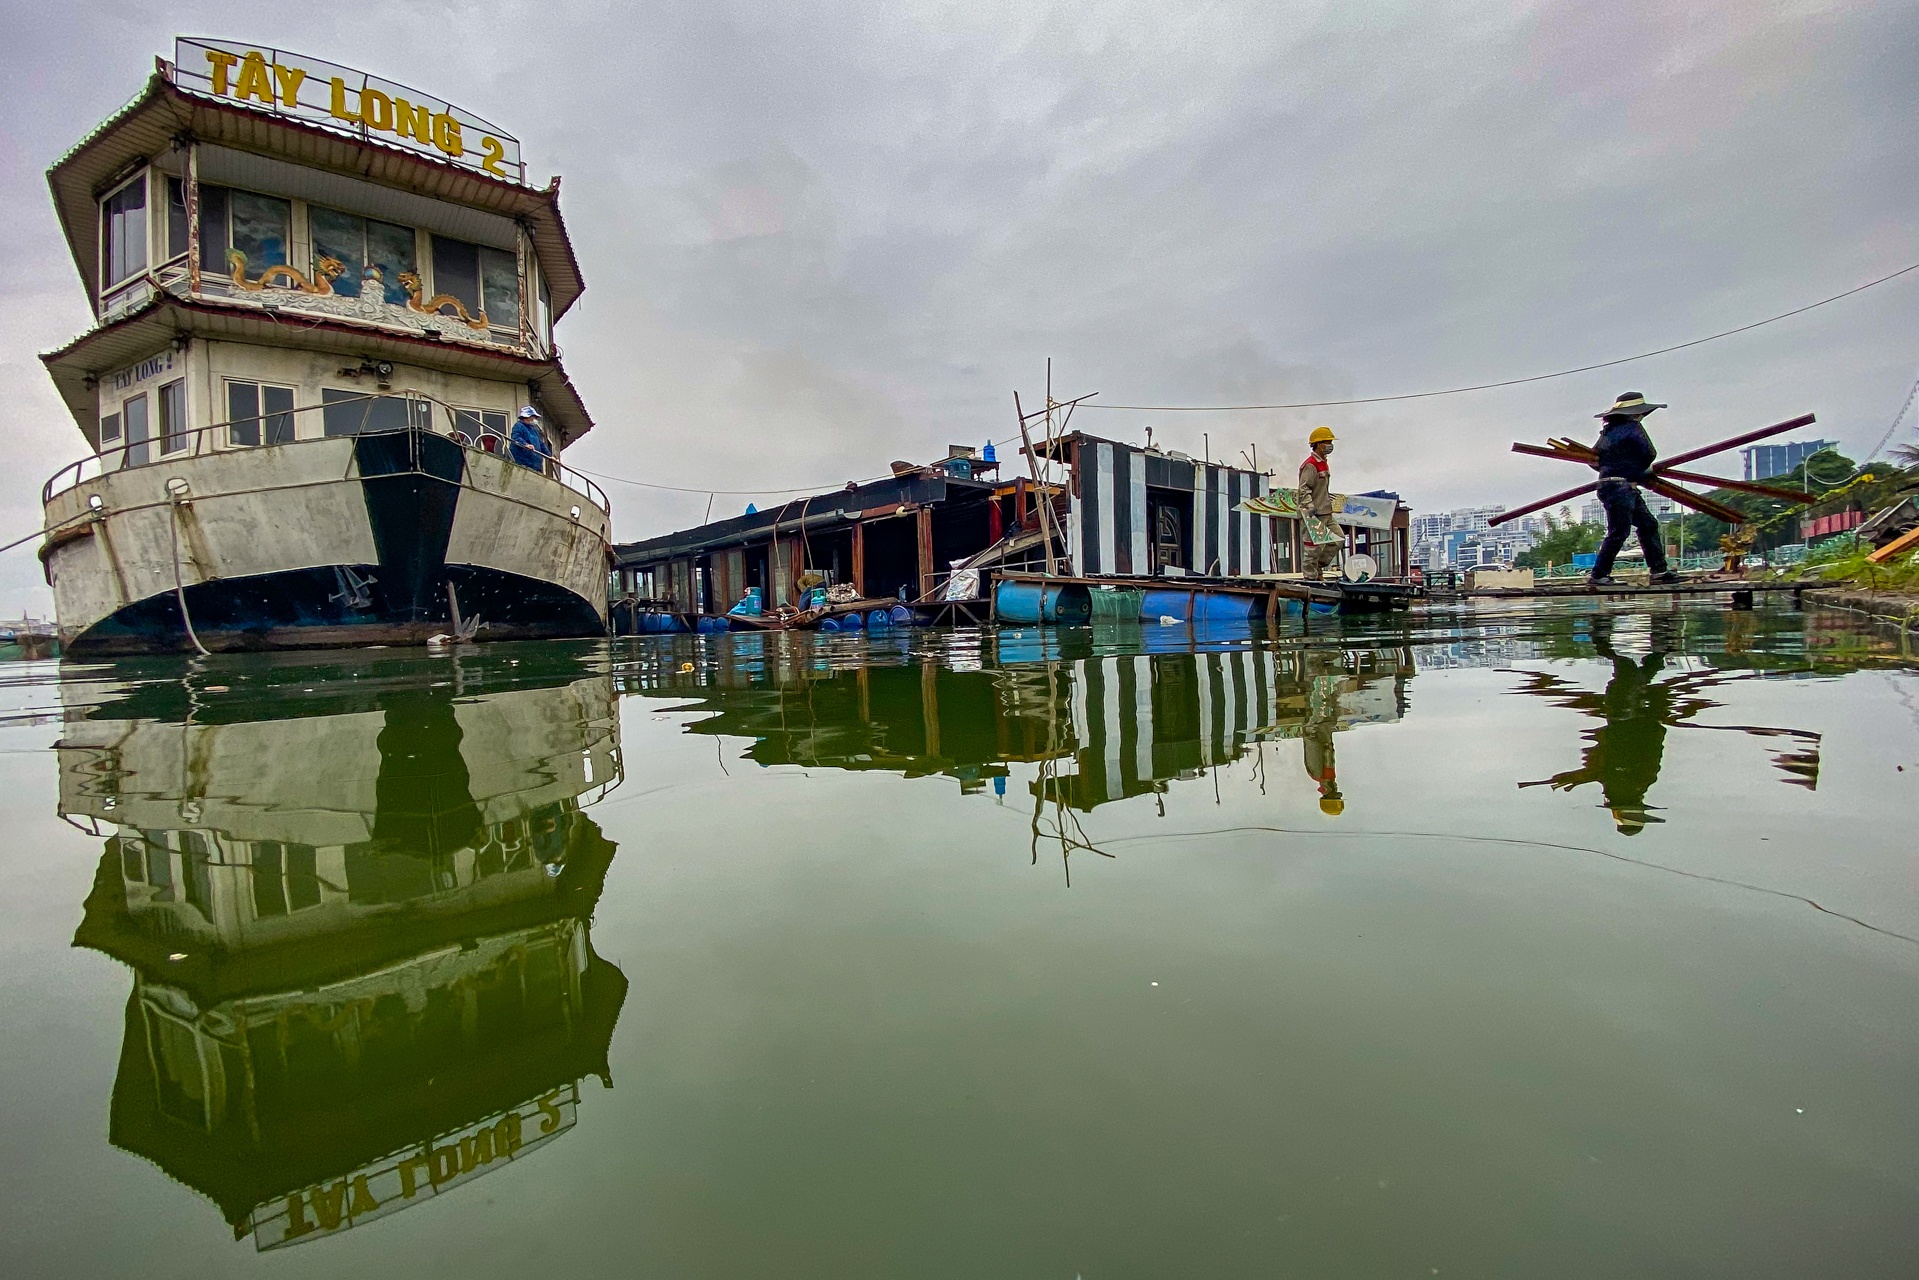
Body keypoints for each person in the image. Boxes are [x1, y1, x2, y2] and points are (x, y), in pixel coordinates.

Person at [1589, 392, 1677, 586]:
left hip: (1608, 485)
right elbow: (1649, 453)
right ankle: (1598, 575)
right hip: (1622, 486)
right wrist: (1634, 473)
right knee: (1619, 531)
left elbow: (1593, 460)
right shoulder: (1633, 428)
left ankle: (1659, 571)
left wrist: (1614, 469)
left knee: (1647, 525)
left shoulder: (1608, 432)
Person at [1298, 426, 1342, 579]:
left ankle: (1318, 568)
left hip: (1326, 512)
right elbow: (1304, 489)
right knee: (1313, 548)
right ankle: (1310, 578)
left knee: (1337, 540)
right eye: (1326, 442)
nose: (1330, 445)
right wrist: (1310, 507)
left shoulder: (1324, 463)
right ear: (1317, 444)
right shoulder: (1311, 465)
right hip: (1313, 514)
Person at [510, 405, 554, 473]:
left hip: (536, 465)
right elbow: (515, 438)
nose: (533, 419)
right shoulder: (518, 426)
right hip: (523, 463)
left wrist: (550, 456)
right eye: (532, 417)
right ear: (526, 417)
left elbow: (541, 444)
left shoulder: (534, 430)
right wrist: (525, 444)